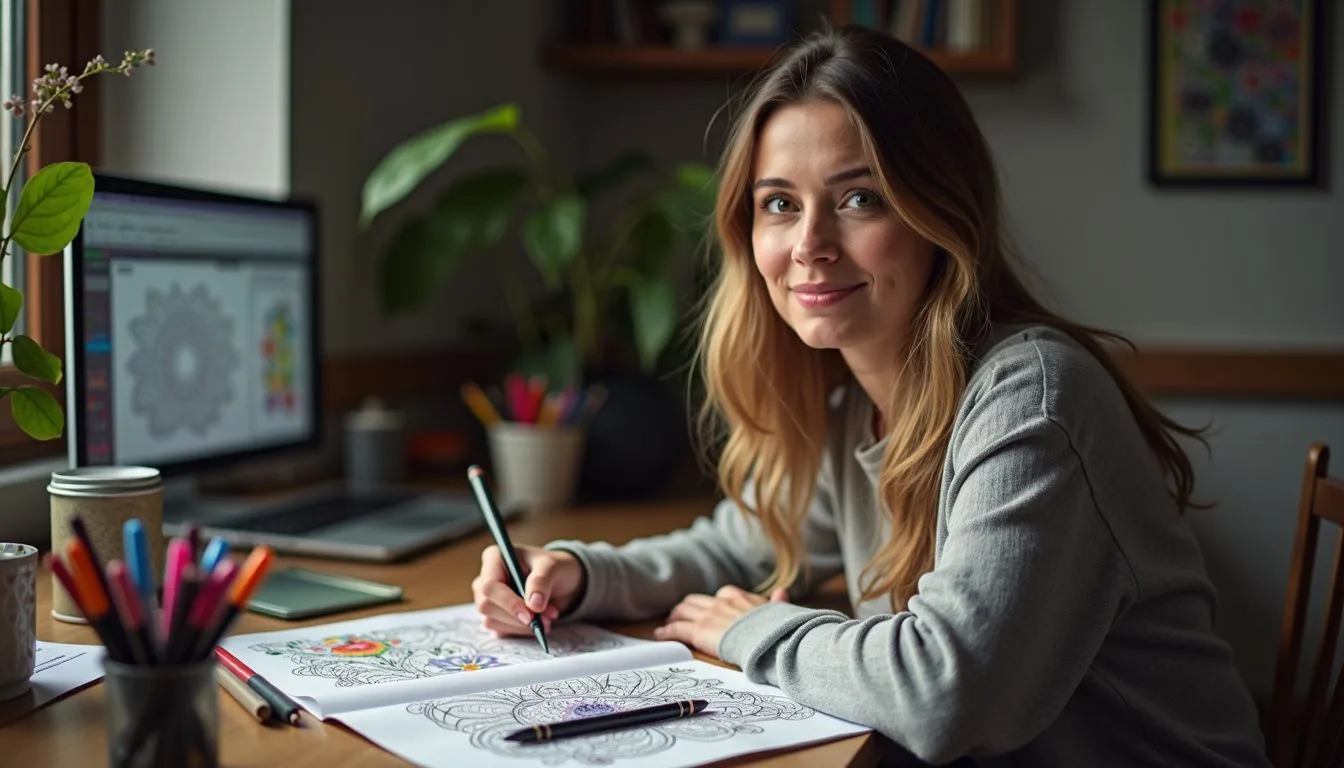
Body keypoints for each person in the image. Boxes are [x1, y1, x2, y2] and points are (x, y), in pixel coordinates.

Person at [470, 24, 1270, 767]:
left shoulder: (1033, 397)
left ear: (938, 213)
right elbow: (739, 543)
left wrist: (751, 627)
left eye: (860, 198)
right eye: (780, 203)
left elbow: (947, 694)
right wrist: (576, 574)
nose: (810, 245)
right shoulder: (855, 396)